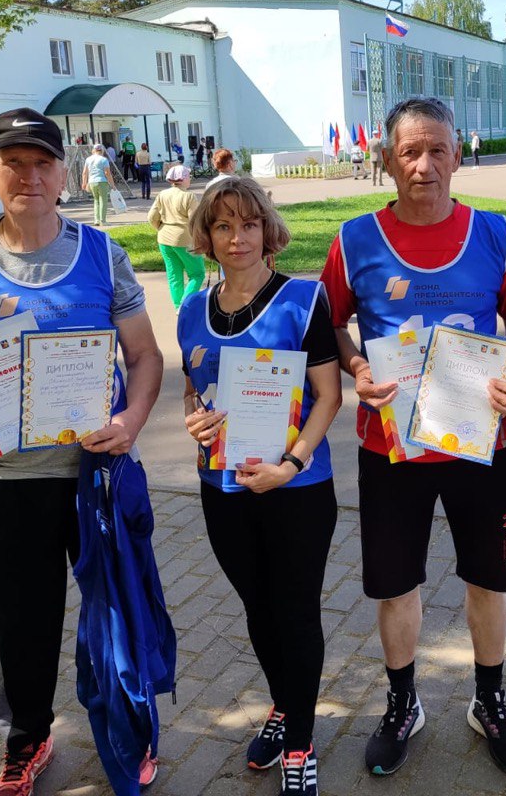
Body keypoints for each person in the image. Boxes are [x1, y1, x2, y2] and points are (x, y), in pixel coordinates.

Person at [0, 107, 164, 796]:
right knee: (19, 626)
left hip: (96, 477)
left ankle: (131, 731)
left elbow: (146, 357)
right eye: (14, 163)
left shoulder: (101, 255)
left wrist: (132, 418)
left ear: (65, 172)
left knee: (121, 615)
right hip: (5, 485)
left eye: (42, 163)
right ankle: (27, 739)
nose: (29, 176)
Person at [319, 96, 506, 777]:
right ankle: (402, 703)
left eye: (436, 149)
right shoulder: (354, 239)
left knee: (488, 580)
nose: (424, 165)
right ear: (386, 159)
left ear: (457, 155)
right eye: (409, 151)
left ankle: (490, 701)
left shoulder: (496, 234)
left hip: (481, 443)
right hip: (392, 447)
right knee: (396, 586)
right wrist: (356, 366)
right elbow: (329, 324)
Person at [178, 176, 341, 796]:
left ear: (267, 230)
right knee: (257, 607)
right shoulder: (193, 309)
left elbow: (328, 396)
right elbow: (195, 392)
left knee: (295, 610)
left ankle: (299, 740)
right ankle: (283, 703)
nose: (237, 236)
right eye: (222, 226)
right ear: (208, 237)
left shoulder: (303, 300)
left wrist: (292, 464)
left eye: (248, 223)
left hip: (296, 487)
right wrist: (191, 420)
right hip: (222, 486)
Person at [148, 164, 205, 309]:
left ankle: (177, 304)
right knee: (197, 273)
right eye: (189, 176)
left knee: (174, 274)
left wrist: (159, 227)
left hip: (164, 238)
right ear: (184, 178)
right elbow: (194, 221)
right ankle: (184, 305)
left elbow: (152, 217)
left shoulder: (162, 194)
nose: (190, 179)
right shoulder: (189, 196)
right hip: (184, 239)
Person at [83, 143, 117, 227]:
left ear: (93, 150)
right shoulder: (103, 160)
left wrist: (84, 183)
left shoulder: (88, 159)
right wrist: (112, 185)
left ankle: (96, 220)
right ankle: (103, 220)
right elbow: (107, 173)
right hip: (102, 182)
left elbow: (84, 173)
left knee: (96, 200)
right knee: (103, 201)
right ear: (102, 150)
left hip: (91, 182)